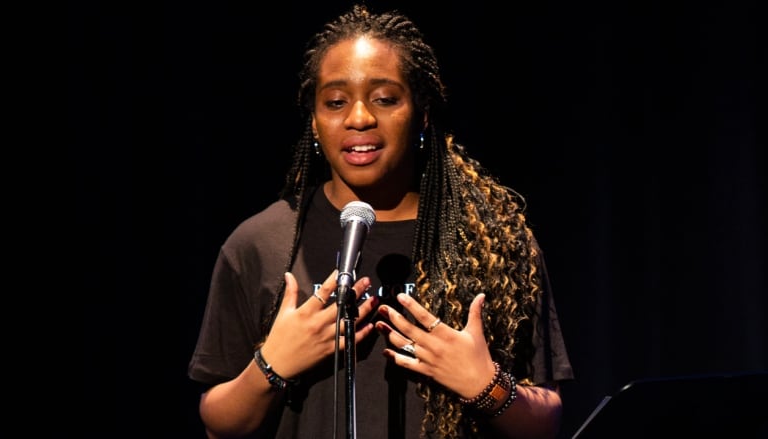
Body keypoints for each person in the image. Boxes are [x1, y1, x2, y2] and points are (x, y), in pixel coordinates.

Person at [188, 4, 574, 438]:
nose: (359, 118)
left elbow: (547, 422)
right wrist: (271, 365)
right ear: (314, 122)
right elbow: (219, 425)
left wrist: (484, 386)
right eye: (335, 102)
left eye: (385, 99)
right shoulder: (260, 243)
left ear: (422, 113)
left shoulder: (494, 241)